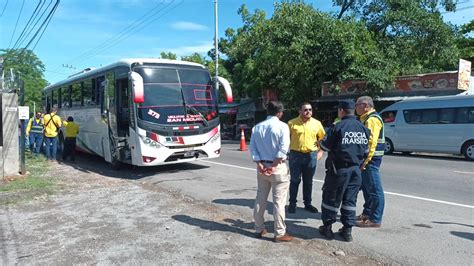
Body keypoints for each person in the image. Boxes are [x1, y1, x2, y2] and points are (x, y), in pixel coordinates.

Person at [318, 100, 370, 242]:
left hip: (339, 170)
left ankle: (327, 228)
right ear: (353, 110)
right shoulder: (363, 128)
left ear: (341, 111)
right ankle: (347, 231)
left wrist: (319, 142)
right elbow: (366, 151)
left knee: (331, 198)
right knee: (350, 201)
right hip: (356, 170)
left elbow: (325, 146)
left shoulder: (338, 127)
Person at [249, 101, 293, 242]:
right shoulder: (282, 126)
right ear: (280, 112)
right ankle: (279, 233)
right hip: (278, 167)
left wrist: (260, 164)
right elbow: (283, 150)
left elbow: (253, 149)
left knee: (260, 198)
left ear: (267, 111)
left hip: (262, 167)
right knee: (279, 202)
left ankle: (258, 228)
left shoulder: (257, 127)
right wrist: (273, 166)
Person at [287, 102, 325, 213]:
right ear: (299, 111)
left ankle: (308, 203)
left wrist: (321, 151)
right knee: (295, 180)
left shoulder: (316, 123)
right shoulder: (292, 123)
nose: (308, 112)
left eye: (310, 110)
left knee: (308, 181)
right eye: (305, 110)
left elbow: (323, 139)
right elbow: (284, 138)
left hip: (311, 155)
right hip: (295, 155)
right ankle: (292, 203)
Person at [355, 96, 386, 228]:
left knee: (374, 189)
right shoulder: (366, 118)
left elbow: (371, 143)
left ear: (366, 106)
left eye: (358, 105)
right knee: (368, 188)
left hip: (371, 160)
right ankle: (367, 213)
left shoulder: (372, 120)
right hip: (369, 159)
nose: (356, 107)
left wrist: (365, 161)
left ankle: (375, 218)